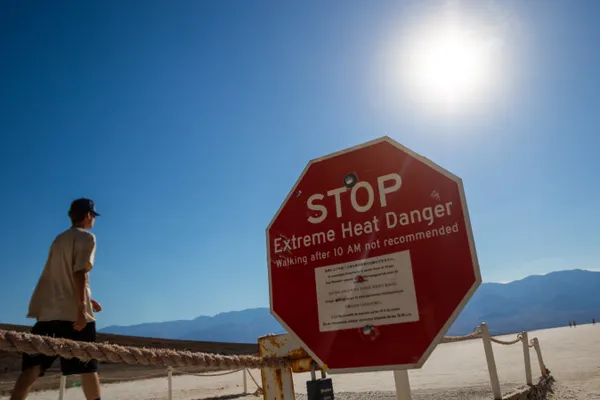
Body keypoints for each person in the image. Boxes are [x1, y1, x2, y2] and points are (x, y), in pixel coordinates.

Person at [10, 198, 103, 400]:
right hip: (74, 317)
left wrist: (89, 298)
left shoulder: (58, 240)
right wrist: (81, 308)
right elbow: (79, 272)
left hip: (48, 313)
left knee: (32, 368)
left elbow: (58, 275)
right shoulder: (87, 238)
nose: (93, 220)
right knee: (87, 367)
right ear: (88, 215)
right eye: (93, 216)